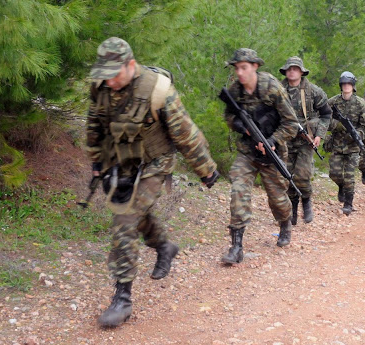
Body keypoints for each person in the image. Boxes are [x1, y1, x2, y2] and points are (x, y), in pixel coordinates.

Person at [86, 37, 219, 328]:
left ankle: (122, 298)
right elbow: (94, 122)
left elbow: (186, 133)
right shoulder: (101, 86)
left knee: (125, 218)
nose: (109, 80)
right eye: (105, 74)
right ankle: (165, 246)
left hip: (155, 163)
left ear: (131, 65)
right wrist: (97, 159)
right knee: (137, 215)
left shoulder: (158, 90)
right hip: (121, 160)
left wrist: (206, 169)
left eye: (115, 73)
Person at [222, 49, 298, 265]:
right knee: (238, 189)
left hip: (272, 152)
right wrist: (242, 127)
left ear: (255, 66)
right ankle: (236, 246)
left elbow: (290, 123)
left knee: (277, 198)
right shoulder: (235, 90)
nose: (239, 73)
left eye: (243, 67)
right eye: (236, 68)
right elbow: (229, 116)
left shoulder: (271, 87)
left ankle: (285, 223)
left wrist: (272, 141)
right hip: (247, 151)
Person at [279, 56, 331, 225]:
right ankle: (292, 210)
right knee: (287, 177)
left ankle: (306, 201)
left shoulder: (313, 91)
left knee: (302, 176)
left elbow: (326, 114)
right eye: (289, 68)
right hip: (285, 140)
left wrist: (319, 135)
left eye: (295, 68)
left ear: (301, 71)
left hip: (305, 140)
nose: (292, 71)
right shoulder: (278, 90)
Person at [325, 72, 365, 215]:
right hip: (337, 144)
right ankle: (341, 187)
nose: (346, 86)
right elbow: (324, 119)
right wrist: (336, 125)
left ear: (353, 86)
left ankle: (348, 204)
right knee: (334, 174)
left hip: (353, 147)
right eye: (344, 84)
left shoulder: (360, 104)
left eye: (349, 84)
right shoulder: (332, 102)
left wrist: (358, 135)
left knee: (349, 176)